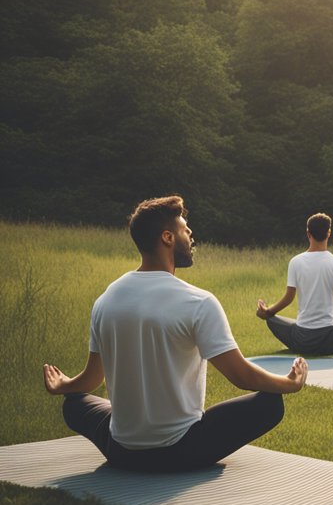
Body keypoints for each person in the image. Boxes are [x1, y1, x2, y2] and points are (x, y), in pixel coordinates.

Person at [41, 195, 308, 473]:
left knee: (74, 403)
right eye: (184, 228)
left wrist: (64, 385)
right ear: (167, 237)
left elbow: (92, 379)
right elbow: (241, 376)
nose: (190, 234)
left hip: (120, 451)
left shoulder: (105, 300)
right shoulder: (199, 302)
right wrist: (290, 382)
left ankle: (128, 431)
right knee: (270, 403)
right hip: (183, 450)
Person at [256, 212, 333, 355]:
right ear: (329, 233)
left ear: (308, 233)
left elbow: (288, 298)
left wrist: (268, 312)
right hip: (327, 339)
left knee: (271, 320)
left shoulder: (295, 262)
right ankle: (325, 347)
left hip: (301, 339)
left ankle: (303, 345)